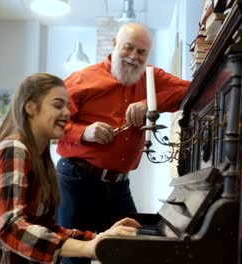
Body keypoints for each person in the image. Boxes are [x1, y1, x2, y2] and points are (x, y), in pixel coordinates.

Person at [0, 73, 140, 264]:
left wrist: (99, 239)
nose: (67, 112)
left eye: (67, 106)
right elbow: (12, 228)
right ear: (31, 108)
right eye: (58, 105)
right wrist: (87, 248)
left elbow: (49, 227)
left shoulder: (41, 159)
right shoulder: (13, 150)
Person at [56, 22, 191, 264]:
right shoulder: (81, 80)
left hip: (118, 184)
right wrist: (84, 132)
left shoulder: (152, 77)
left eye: (141, 52)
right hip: (77, 180)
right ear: (115, 44)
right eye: (128, 48)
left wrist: (152, 103)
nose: (133, 56)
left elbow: (191, 91)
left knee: (129, 250)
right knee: (75, 256)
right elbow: (52, 124)